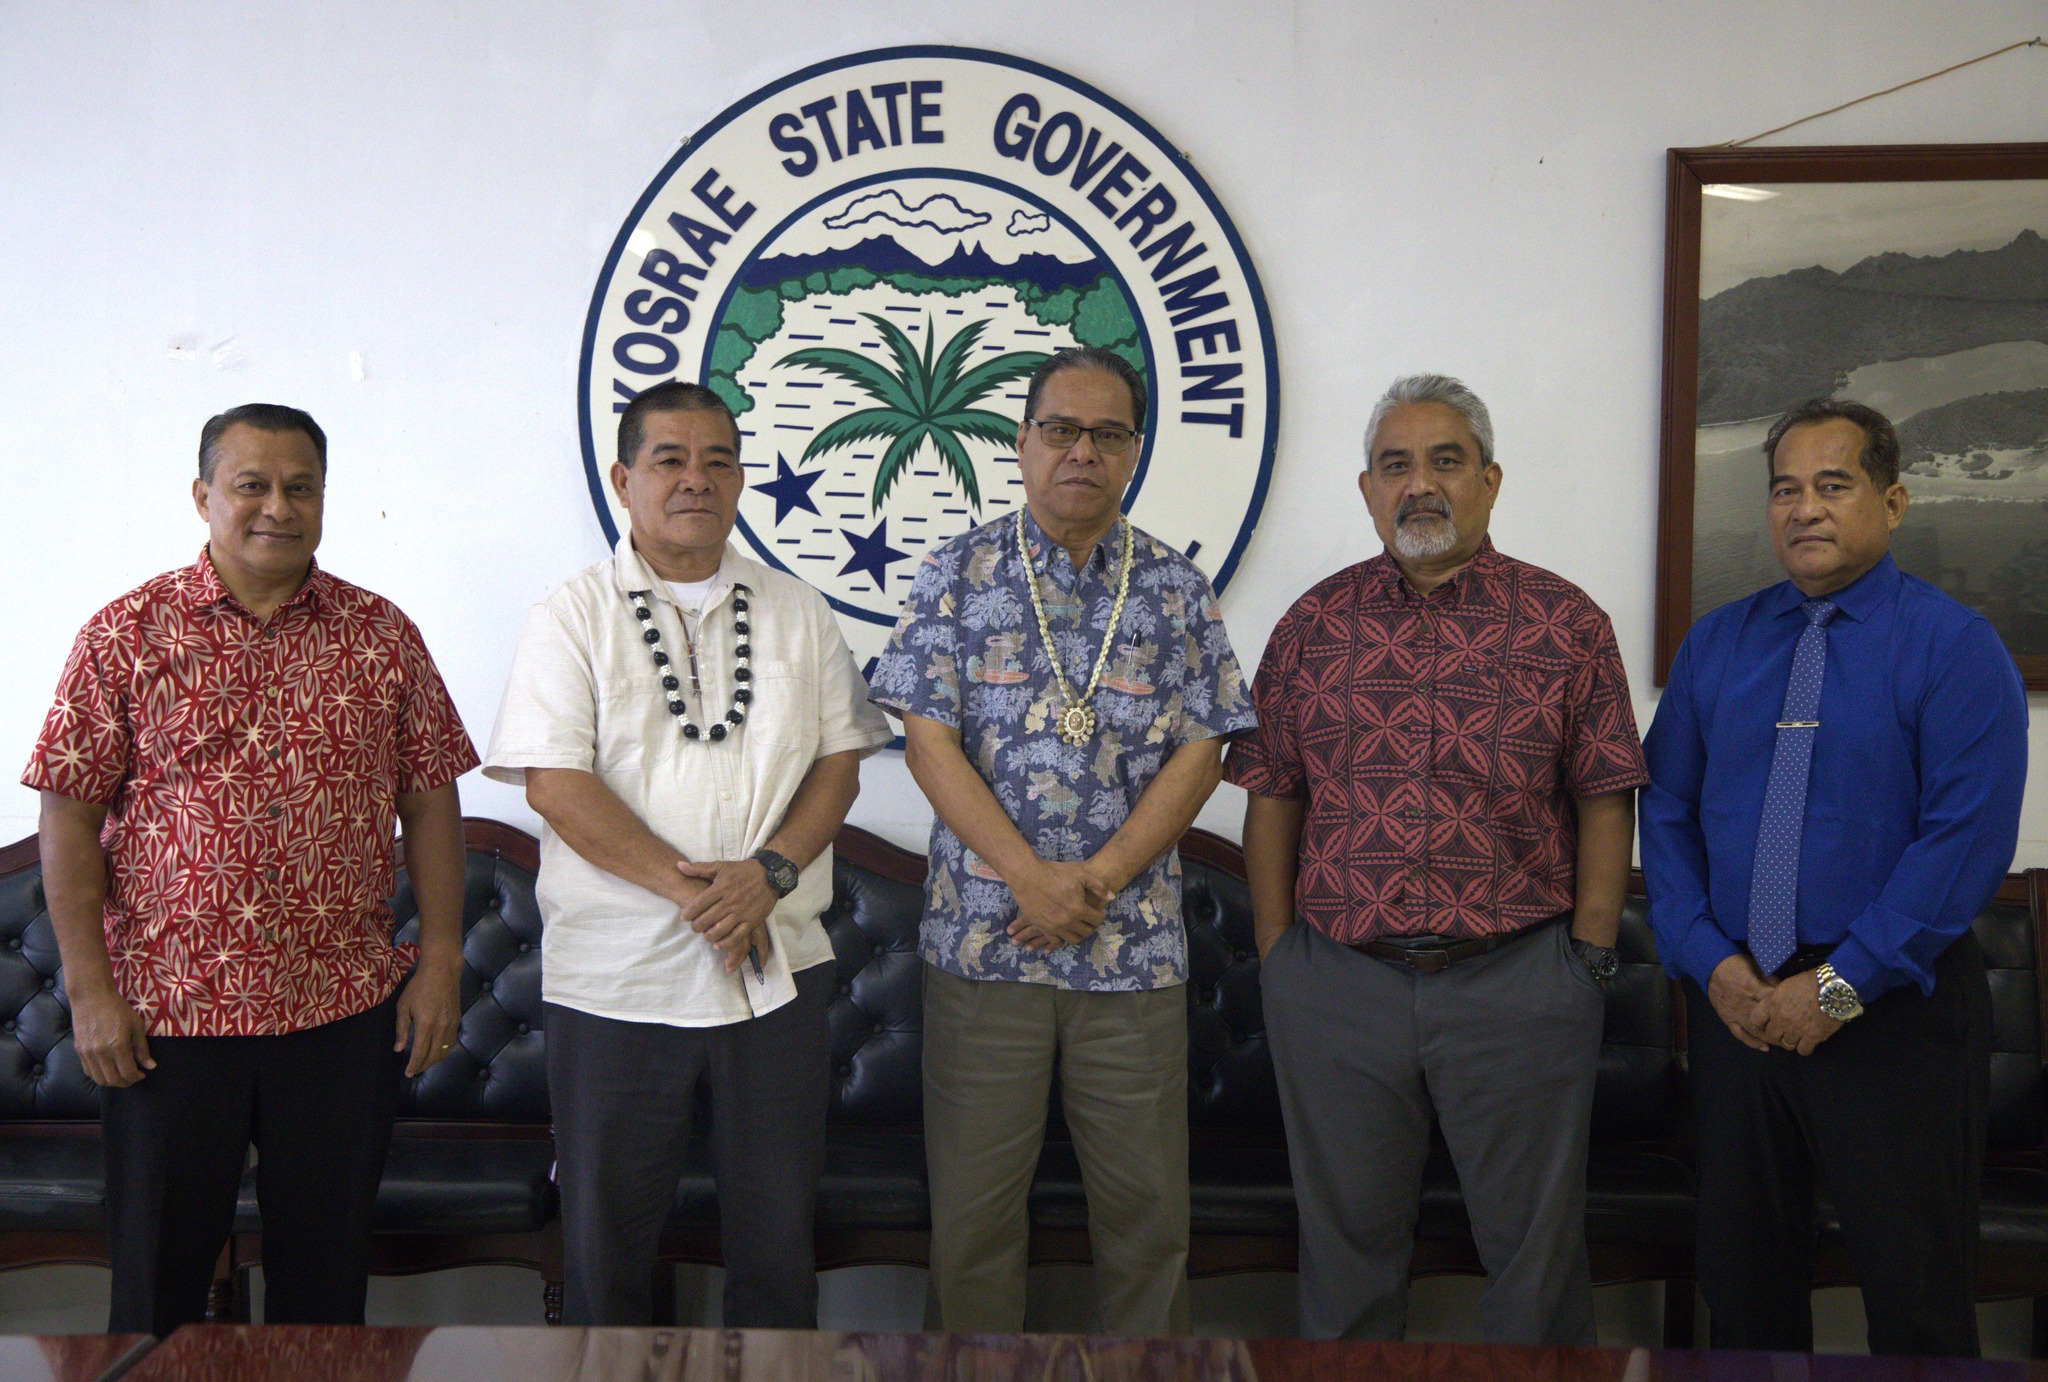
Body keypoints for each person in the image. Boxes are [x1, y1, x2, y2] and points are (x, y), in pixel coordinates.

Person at [23, 403, 476, 1335]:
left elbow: (430, 802)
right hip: (167, 1014)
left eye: (299, 487)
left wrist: (439, 962)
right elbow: (68, 815)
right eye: (252, 485)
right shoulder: (128, 633)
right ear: (203, 497)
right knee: (156, 1291)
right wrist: (90, 991)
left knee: (324, 1290)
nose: (278, 506)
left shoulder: (382, 635)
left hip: (339, 1013)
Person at [1226, 374, 1646, 1343]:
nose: (1420, 484)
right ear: (1366, 489)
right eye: (1395, 464)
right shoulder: (1310, 625)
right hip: (1336, 982)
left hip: (1518, 981)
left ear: (1489, 481)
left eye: (1444, 460)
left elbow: (1602, 795)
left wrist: (1583, 957)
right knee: (1344, 1259)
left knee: (1533, 1261)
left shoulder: (1564, 622)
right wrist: (1280, 953)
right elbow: (1271, 793)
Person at [484, 380, 890, 1327]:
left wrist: (768, 878)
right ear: (625, 479)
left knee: (777, 1246)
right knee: (606, 1250)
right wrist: (703, 893)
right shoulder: (571, 615)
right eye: (670, 459)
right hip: (619, 980)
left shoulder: (796, 609)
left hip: (777, 972)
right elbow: (555, 784)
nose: (695, 480)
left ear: (742, 479)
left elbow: (841, 761)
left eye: (718, 460)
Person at [869, 345, 1256, 1334]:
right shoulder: (956, 572)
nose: (1080, 449)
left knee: (1145, 1220)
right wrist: (1025, 879)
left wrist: (1093, 879)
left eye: (1106, 433)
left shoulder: (1173, 588)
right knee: (971, 1221)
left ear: (1133, 450)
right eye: (1059, 429)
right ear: (1020, 442)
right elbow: (925, 741)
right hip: (982, 946)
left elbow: (1204, 745)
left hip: (1130, 954)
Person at [1641, 398, 2027, 1356]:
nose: (1803, 509)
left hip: (1894, 1018)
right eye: (1784, 489)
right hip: (1741, 1010)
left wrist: (1844, 984)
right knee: (1742, 1297)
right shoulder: (1718, 645)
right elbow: (1666, 811)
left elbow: (1963, 843)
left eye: (1832, 485)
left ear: (1891, 503)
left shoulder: (1955, 647)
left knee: (1917, 1303)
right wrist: (1709, 963)